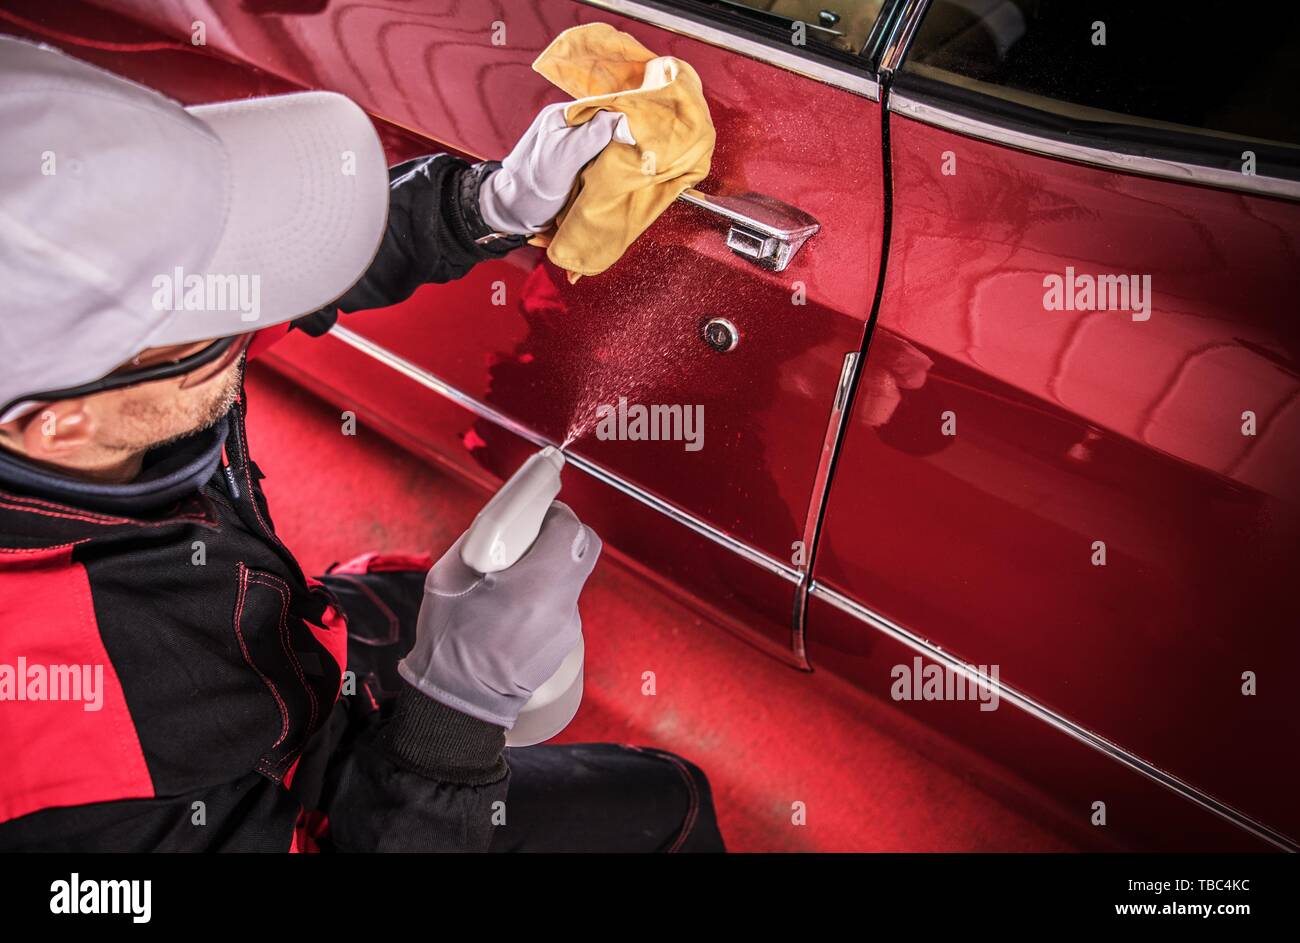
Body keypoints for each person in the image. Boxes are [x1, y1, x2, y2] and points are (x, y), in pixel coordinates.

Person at [0, 35, 724, 852]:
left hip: (259, 658)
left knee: (411, 597)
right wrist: (450, 725)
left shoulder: (85, 379)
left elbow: (282, 272)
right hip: (288, 813)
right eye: (212, 322)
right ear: (57, 422)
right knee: (670, 804)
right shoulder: (68, 768)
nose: (250, 311)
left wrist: (481, 206)